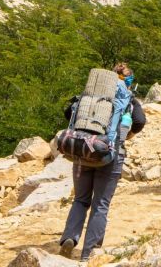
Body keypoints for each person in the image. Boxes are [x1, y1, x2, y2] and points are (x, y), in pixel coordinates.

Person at [59, 63, 146, 261]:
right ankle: (89, 253)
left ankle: (69, 238)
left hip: (82, 152)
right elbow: (139, 121)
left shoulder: (92, 94)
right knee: (100, 204)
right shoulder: (128, 98)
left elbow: (68, 113)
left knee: (81, 200)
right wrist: (126, 136)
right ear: (129, 81)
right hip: (109, 155)